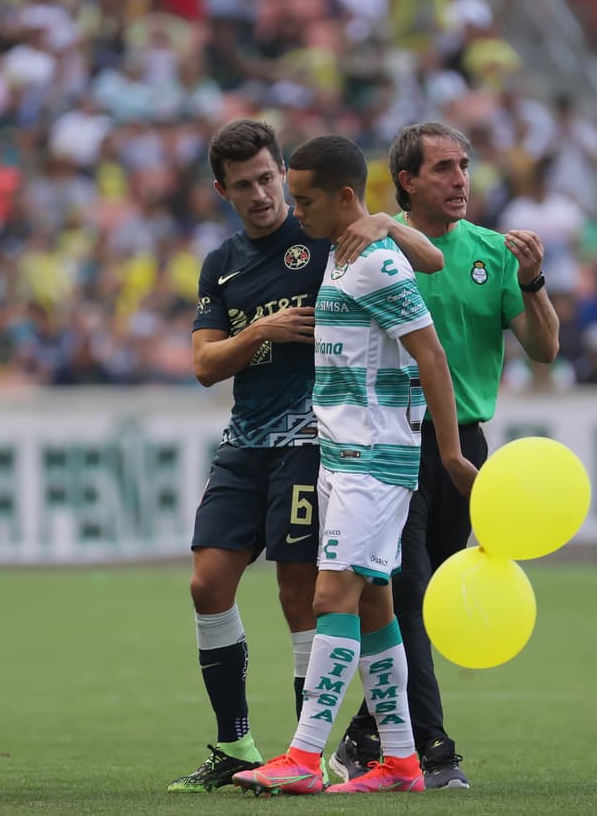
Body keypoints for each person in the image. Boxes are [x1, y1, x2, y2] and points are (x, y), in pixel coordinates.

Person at [169, 119, 444, 793]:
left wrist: (383, 220)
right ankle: (242, 743)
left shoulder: (328, 231)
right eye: (246, 185)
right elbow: (204, 363)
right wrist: (259, 332)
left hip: (321, 443)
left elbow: (428, 260)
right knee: (210, 582)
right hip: (247, 437)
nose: (264, 194)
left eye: (269, 178)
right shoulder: (223, 262)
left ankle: (305, 752)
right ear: (223, 190)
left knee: (314, 593)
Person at [232, 133, 477, 796]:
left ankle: (304, 755)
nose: (294, 208)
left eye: (304, 198)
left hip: (374, 461)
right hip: (345, 457)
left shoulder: (374, 262)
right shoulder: (344, 253)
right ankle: (399, 758)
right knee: (374, 606)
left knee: (328, 595)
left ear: (344, 196)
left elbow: (431, 356)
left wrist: (450, 453)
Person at [330, 121, 559, 790]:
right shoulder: (379, 245)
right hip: (395, 438)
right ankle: (432, 749)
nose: (461, 179)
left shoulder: (493, 251)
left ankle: (366, 734)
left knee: (422, 599)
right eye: (443, 168)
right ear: (407, 181)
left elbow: (545, 350)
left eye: (464, 165)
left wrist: (536, 279)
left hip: (465, 447)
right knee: (408, 590)